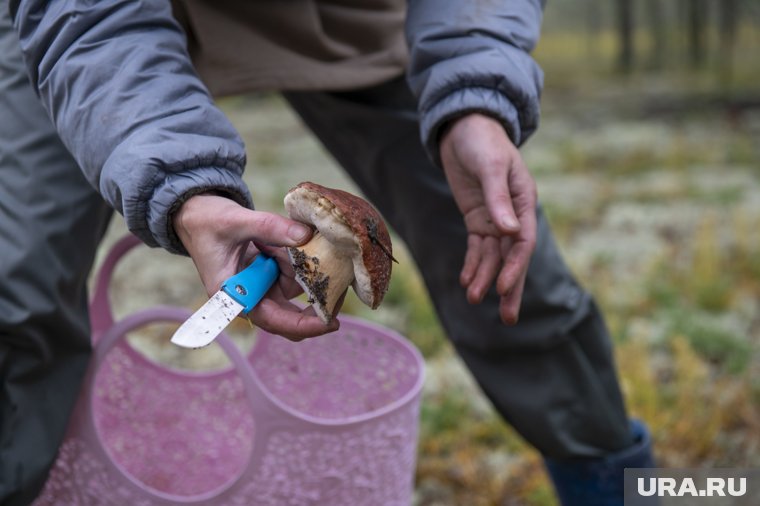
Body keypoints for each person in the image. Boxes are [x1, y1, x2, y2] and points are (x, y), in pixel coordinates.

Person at [1, 0, 654, 504]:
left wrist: (474, 95)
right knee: (15, 288)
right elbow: (87, 20)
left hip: (357, 20)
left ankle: (618, 487)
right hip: (97, 36)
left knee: (509, 266)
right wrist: (184, 191)